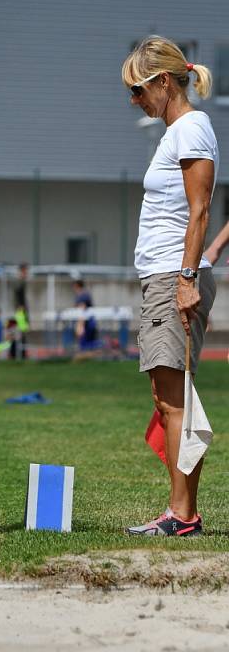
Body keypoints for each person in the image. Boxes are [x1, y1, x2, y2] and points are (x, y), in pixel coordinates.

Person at [121, 36, 217, 536]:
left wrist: (186, 279)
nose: (134, 101)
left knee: (174, 400)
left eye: (138, 91)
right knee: (168, 399)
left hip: (171, 277)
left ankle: (182, 516)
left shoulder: (192, 129)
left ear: (162, 82)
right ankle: (180, 512)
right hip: (162, 274)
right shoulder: (178, 131)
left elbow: (199, 209)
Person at [11, 262, 30, 359]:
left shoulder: (21, 280)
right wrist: (20, 306)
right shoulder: (19, 280)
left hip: (20, 309)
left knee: (22, 330)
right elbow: (18, 293)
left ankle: (20, 352)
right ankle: (17, 352)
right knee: (20, 330)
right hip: (20, 310)